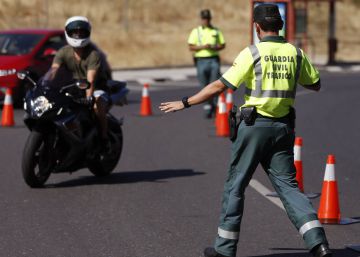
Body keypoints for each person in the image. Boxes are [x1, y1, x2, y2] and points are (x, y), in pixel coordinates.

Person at [160, 4, 332, 257]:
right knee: (288, 187)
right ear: (280, 25)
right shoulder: (296, 53)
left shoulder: (252, 53)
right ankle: (318, 242)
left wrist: (185, 102)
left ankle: (225, 249)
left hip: (254, 127)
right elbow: (315, 83)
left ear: (257, 27)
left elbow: (220, 86)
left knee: (236, 185)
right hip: (283, 128)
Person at [44, 16, 111, 152]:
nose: (78, 35)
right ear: (68, 32)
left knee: (97, 105)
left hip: (97, 87)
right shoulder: (63, 52)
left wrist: (88, 98)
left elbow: (90, 79)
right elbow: (53, 71)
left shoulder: (93, 54)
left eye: (81, 32)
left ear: (88, 33)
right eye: (75, 32)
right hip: (73, 87)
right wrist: (46, 87)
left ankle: (103, 138)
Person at [187, 9, 226, 118]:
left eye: (207, 18)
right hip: (201, 60)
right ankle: (208, 105)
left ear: (210, 19)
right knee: (204, 84)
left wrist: (213, 47)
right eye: (204, 19)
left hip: (213, 59)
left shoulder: (216, 31)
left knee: (214, 84)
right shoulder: (196, 31)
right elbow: (191, 46)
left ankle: (214, 103)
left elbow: (222, 45)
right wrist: (203, 47)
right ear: (201, 19)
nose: (206, 21)